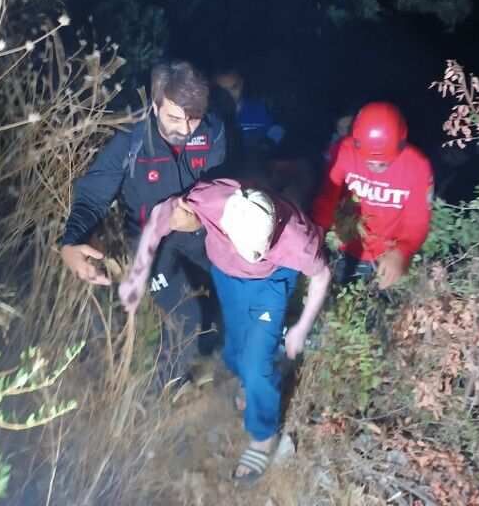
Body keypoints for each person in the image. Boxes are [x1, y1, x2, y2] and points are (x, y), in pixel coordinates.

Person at [120, 178, 331, 483]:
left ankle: (263, 435)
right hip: (226, 273)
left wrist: (301, 327)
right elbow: (159, 217)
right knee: (235, 346)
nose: (251, 255)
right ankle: (250, 380)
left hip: (270, 284)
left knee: (255, 363)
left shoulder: (298, 240)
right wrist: (137, 277)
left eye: (257, 250)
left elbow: (322, 276)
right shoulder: (211, 199)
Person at [60, 60, 226, 380]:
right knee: (186, 316)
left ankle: (221, 355)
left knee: (226, 292)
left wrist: (199, 219)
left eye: (193, 118)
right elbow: (93, 195)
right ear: (155, 105)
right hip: (149, 242)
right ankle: (164, 388)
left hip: (199, 232)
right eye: (174, 118)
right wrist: (71, 241)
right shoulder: (130, 140)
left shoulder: (214, 131)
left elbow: (224, 186)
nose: (185, 129)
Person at [312, 102, 433, 288]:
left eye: (383, 163)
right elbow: (327, 197)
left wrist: (402, 251)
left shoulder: (417, 166)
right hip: (344, 245)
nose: (376, 167)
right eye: (370, 162)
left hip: (388, 256)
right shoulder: (343, 151)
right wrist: (317, 232)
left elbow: (417, 221)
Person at [213, 67, 285, 169]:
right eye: (223, 91)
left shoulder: (260, 109)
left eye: (234, 88)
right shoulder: (208, 117)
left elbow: (278, 129)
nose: (229, 95)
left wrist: (267, 144)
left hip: (255, 170)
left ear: (241, 83)